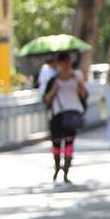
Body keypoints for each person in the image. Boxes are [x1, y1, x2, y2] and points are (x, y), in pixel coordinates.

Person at [43, 52, 88, 183]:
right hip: (57, 115)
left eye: (68, 61)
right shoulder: (53, 80)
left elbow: (84, 95)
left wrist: (78, 83)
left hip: (72, 113)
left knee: (69, 144)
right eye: (64, 62)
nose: (66, 64)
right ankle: (57, 167)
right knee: (56, 144)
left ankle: (66, 172)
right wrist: (54, 89)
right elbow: (46, 99)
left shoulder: (76, 77)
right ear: (59, 63)